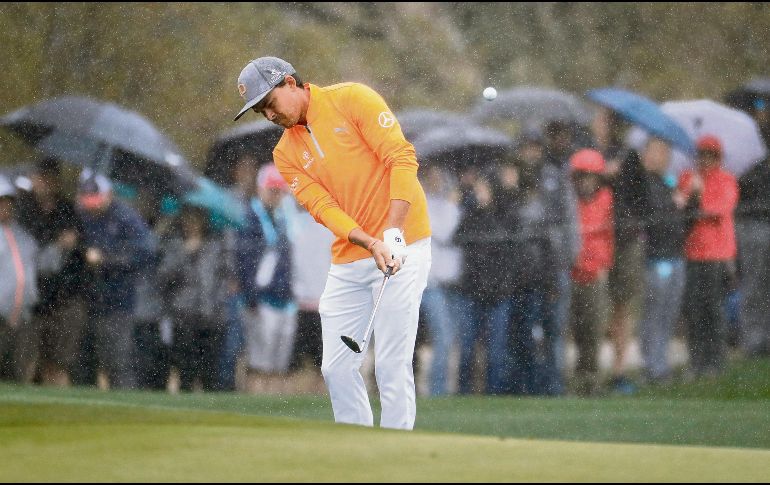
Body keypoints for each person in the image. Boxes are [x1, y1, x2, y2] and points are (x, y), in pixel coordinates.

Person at [234, 56, 431, 430]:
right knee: (336, 367)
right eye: (261, 111)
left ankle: (396, 455)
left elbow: (401, 158)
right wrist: (370, 242)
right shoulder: (284, 154)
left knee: (391, 362)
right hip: (352, 255)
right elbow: (324, 208)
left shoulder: (353, 99)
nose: (269, 115)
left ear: (290, 83)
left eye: (270, 104)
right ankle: (355, 452)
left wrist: (392, 232)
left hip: (405, 243)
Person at [75, 170, 153, 389]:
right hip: (91, 298)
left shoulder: (126, 217)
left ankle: (127, 406)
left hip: (120, 299)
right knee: (87, 360)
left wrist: (106, 259)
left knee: (118, 360)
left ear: (108, 194)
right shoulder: (82, 216)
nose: (92, 205)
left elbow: (144, 252)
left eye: (96, 199)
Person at [15, 158, 86, 386]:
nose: (44, 183)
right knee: (24, 362)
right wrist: (57, 246)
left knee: (58, 363)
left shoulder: (69, 211)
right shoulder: (22, 212)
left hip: (64, 298)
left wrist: (74, 245)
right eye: (39, 177)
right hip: (31, 298)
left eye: (49, 178)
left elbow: (82, 254)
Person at [677, 135, 739, 378]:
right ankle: (697, 361)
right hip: (692, 253)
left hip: (717, 254)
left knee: (713, 308)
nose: (705, 160)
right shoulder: (688, 179)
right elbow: (681, 209)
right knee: (694, 309)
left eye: (710, 155)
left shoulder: (726, 180)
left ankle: (715, 362)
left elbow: (718, 210)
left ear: (718, 158)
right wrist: (691, 193)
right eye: (702, 154)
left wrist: (699, 194)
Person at [237, 164, 297, 394]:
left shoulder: (284, 218)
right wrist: (250, 295)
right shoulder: (250, 218)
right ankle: (257, 395)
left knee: (279, 359)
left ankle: (274, 398)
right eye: (272, 190)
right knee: (259, 357)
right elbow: (244, 261)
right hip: (261, 297)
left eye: (279, 191)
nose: (276, 195)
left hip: (285, 297)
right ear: (261, 189)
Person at [158, 205, 232, 392]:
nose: (191, 225)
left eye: (195, 220)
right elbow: (164, 276)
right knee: (186, 369)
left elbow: (224, 277)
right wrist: (185, 253)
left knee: (210, 370)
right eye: (188, 220)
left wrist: (218, 303)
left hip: (211, 315)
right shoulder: (174, 244)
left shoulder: (215, 245)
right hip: (184, 315)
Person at [637, 138, 692, 384]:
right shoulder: (642, 182)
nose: (663, 156)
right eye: (657, 151)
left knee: (669, 313)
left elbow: (681, 219)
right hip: (656, 257)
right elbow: (653, 216)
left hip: (676, 254)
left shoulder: (667, 181)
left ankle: (661, 363)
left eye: (666, 152)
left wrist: (687, 199)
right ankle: (653, 366)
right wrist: (673, 204)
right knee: (654, 312)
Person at [568, 149, 614, 396]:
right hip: (571, 273)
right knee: (574, 330)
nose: (586, 181)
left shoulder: (607, 199)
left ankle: (592, 381)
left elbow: (609, 238)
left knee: (593, 331)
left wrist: (605, 267)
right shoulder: (568, 202)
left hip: (595, 273)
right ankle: (576, 380)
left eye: (590, 176)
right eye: (581, 176)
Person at [0, 175, 40, 382]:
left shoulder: (24, 236)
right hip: (1, 315)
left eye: (7, 202)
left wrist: (60, 248)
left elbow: (39, 266)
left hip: (23, 315)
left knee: (18, 373)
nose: (5, 207)